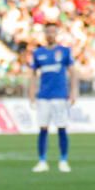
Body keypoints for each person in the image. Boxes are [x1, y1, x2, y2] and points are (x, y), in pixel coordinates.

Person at [29, 22, 76, 173]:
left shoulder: (65, 51)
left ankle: (63, 160)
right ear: (44, 34)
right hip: (43, 96)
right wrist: (32, 94)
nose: (50, 35)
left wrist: (74, 91)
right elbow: (33, 75)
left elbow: (73, 72)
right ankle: (42, 161)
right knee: (43, 128)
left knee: (61, 127)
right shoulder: (38, 53)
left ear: (57, 34)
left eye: (53, 32)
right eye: (47, 32)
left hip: (60, 96)